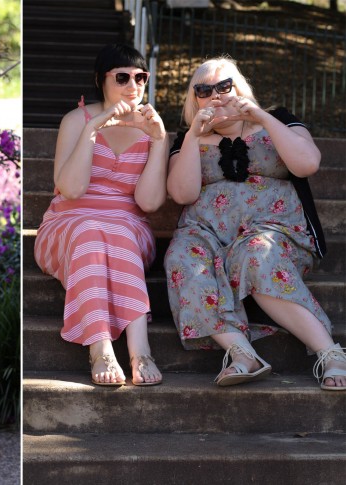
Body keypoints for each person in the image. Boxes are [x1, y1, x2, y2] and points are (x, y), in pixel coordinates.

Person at [164, 56, 346, 390]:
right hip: (205, 235)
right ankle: (243, 354)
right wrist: (193, 135)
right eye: (204, 90)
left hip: (275, 232)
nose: (216, 95)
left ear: (240, 87)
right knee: (180, 257)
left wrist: (257, 114)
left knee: (256, 252)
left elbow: (307, 164)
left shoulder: (277, 119)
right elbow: (181, 193)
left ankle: (331, 354)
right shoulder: (186, 139)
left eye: (225, 85)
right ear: (195, 100)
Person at [33, 43, 168, 387]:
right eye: (121, 76)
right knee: (91, 229)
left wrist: (159, 142)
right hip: (69, 222)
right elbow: (71, 190)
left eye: (140, 77)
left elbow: (149, 203)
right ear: (100, 79)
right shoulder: (76, 120)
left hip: (128, 224)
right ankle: (101, 348)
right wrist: (94, 129)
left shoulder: (153, 127)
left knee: (118, 230)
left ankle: (140, 350)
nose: (132, 85)